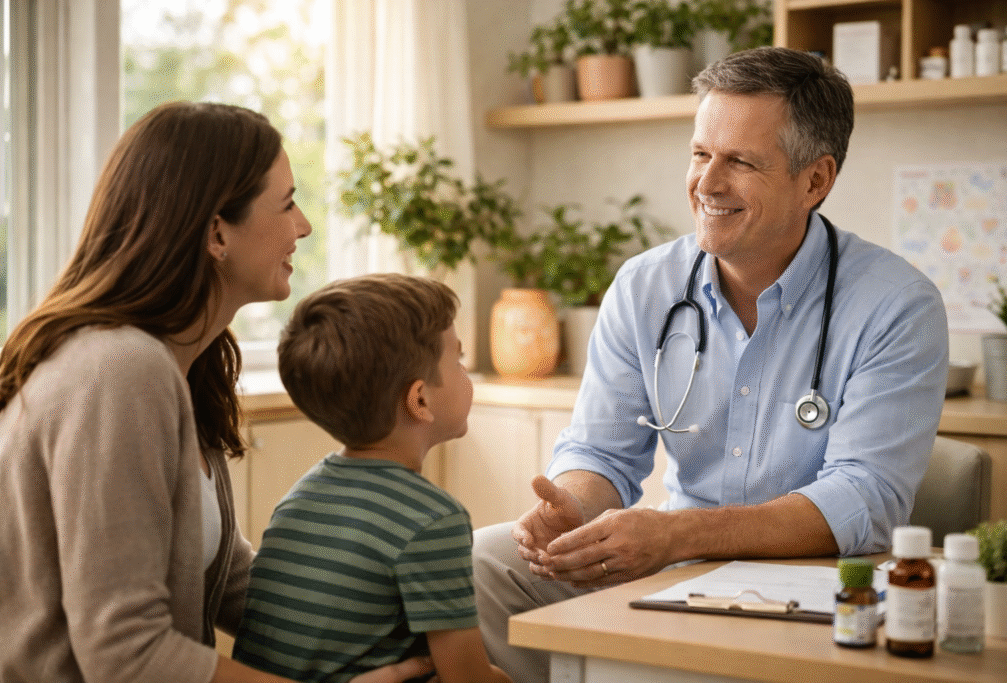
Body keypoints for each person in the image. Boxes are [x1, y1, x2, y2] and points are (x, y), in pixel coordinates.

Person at [473, 46, 949, 682]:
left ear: (815, 180)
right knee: (483, 564)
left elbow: (861, 498)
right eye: (700, 154)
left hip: (813, 584)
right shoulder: (645, 286)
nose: (707, 183)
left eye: (741, 162)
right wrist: (574, 508)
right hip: (677, 565)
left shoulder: (896, 304)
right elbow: (604, 453)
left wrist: (679, 535)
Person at [0, 102, 435, 683]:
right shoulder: (119, 372)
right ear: (216, 232)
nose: (304, 226)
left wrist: (396, 606)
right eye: (286, 204)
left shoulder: (177, 362)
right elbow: (126, 654)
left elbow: (224, 575)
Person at [232, 273, 512, 683]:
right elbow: (466, 679)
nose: (466, 372)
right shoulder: (433, 520)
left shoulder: (300, 496)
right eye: (460, 360)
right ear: (419, 400)